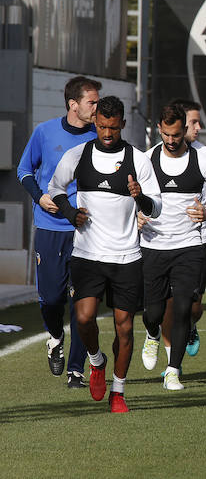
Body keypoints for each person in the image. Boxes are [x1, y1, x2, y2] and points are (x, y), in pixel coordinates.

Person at [48, 95, 162, 412]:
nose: (107, 134)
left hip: (127, 257)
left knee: (124, 328)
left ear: (122, 124)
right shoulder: (79, 154)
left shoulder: (138, 160)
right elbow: (55, 187)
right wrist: (70, 212)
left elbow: (157, 207)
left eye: (113, 128)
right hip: (87, 254)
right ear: (95, 123)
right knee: (84, 318)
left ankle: (118, 392)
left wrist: (141, 198)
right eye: (102, 127)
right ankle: (96, 361)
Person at [139, 104, 206, 390]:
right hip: (153, 244)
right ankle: (152, 333)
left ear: (184, 132)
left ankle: (173, 370)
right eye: (166, 134)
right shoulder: (147, 159)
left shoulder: (203, 158)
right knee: (153, 312)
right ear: (159, 131)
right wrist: (136, 215)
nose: (171, 140)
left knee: (182, 309)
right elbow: (131, 198)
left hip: (190, 245)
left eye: (176, 134)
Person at [17, 76, 100, 388]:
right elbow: (24, 170)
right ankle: (54, 337)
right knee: (52, 300)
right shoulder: (44, 132)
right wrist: (40, 196)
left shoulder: (100, 136)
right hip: (50, 228)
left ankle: (76, 371)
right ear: (73, 104)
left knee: (83, 303)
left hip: (87, 230)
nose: (97, 107)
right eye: (92, 102)